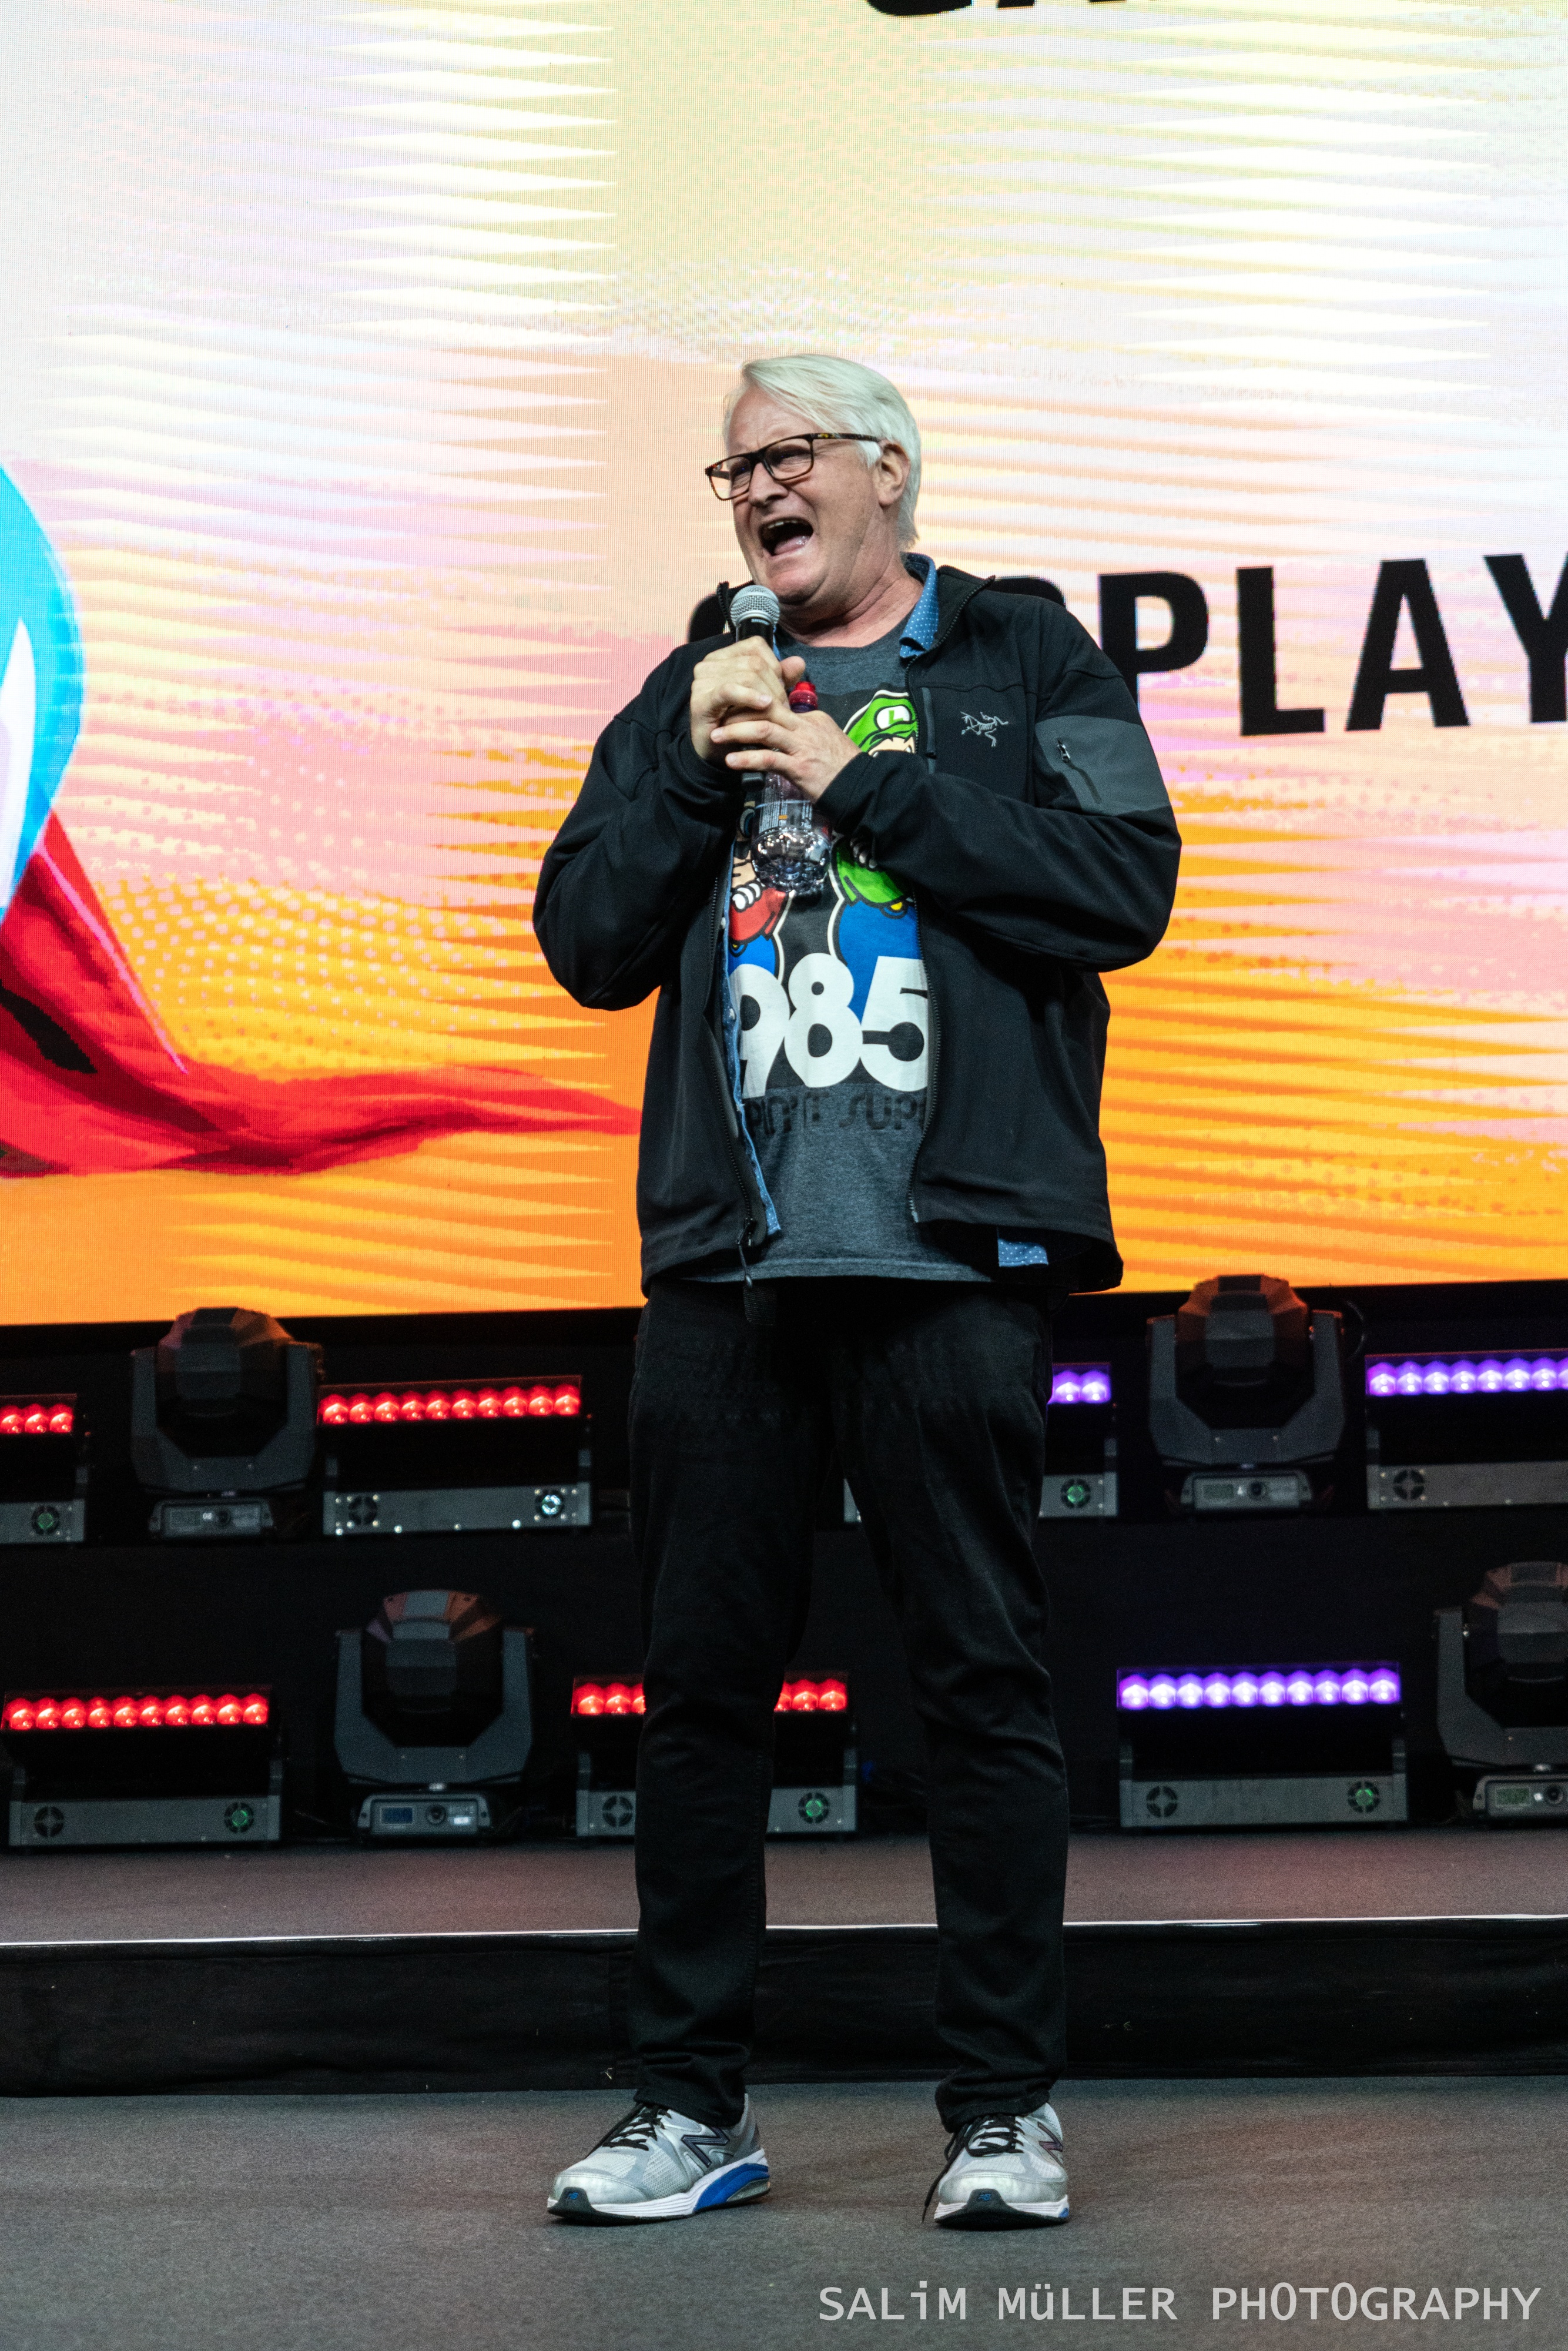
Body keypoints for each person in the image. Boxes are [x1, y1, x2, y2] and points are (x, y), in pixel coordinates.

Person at [534, 354, 1180, 2228]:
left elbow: (1116, 887)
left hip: (947, 1256)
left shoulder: (1022, 658)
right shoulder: (692, 685)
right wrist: (693, 761)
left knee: (977, 1689)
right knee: (697, 1701)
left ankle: (1000, 2115)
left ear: (883, 471)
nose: (754, 491)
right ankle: (684, 2112)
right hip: (727, 1271)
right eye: (731, 469)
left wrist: (856, 779)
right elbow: (584, 940)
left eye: (785, 456)